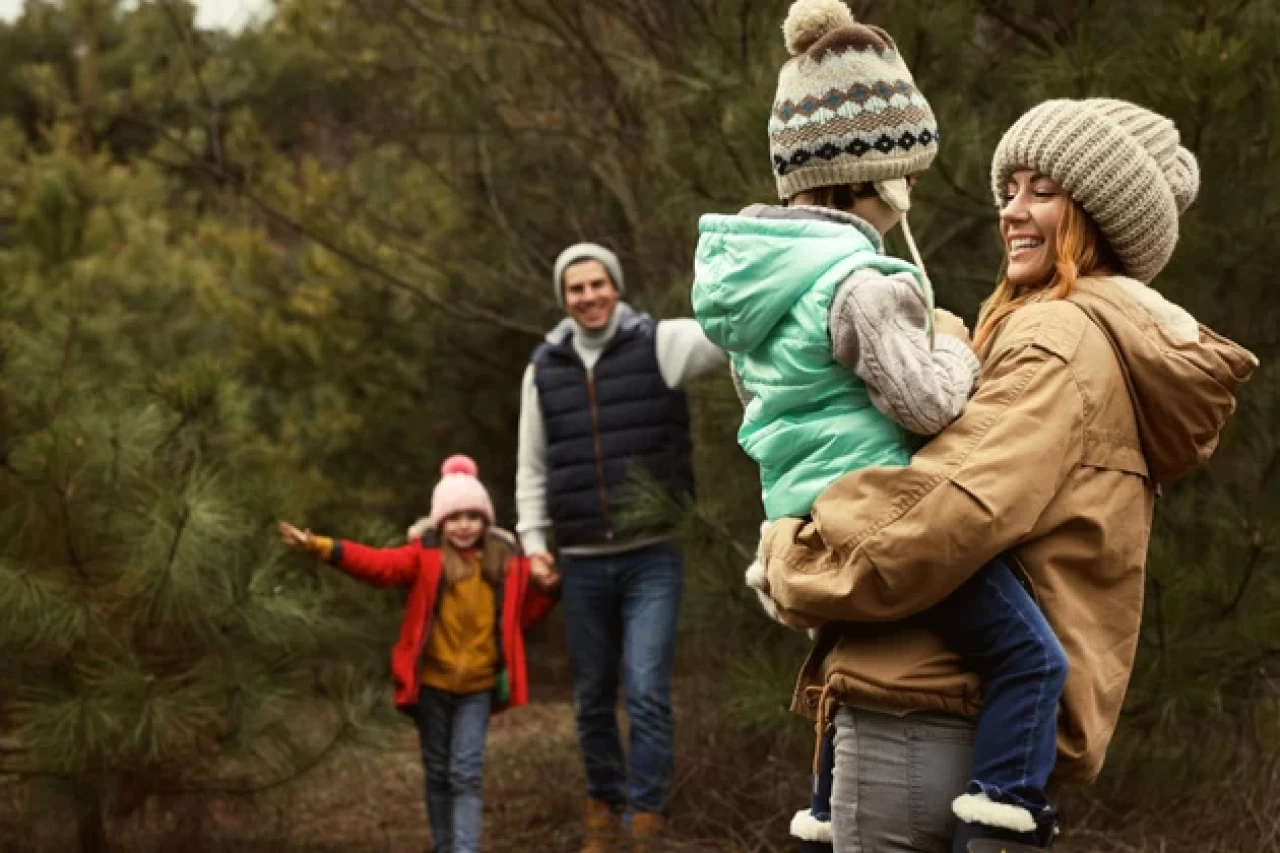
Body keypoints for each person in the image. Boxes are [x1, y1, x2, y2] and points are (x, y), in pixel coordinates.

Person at [755, 96, 1258, 853]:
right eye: (1009, 190)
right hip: (945, 712)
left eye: (1041, 191)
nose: (1012, 212)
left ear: (1098, 216)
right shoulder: (1066, 333)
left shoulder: (1056, 336)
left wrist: (789, 555)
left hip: (922, 710)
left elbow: (940, 516)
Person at [693, 1, 1070, 849]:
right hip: (879, 510)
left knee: (842, 661)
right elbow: (931, 403)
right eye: (908, 174)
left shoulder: (757, 281)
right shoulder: (863, 284)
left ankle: (829, 807)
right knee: (1033, 657)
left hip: (804, 515)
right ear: (881, 175)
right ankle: (1005, 809)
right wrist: (951, 338)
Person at [515, 241, 726, 850]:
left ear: (616, 286)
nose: (588, 297)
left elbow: (727, 330)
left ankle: (647, 818)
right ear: (564, 298)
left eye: (597, 284)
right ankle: (603, 808)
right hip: (580, 560)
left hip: (651, 554)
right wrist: (533, 540)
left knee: (646, 688)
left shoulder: (659, 343)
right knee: (591, 698)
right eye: (576, 288)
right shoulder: (543, 368)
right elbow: (531, 466)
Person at [279, 455, 559, 853]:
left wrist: (547, 588)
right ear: (439, 521)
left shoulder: (506, 564)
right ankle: (445, 845)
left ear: (486, 521)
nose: (464, 525)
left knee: (466, 774)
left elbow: (517, 619)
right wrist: (322, 547)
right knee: (439, 771)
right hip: (431, 685)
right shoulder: (424, 557)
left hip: (477, 688)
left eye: (473, 517)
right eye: (455, 517)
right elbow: (376, 565)